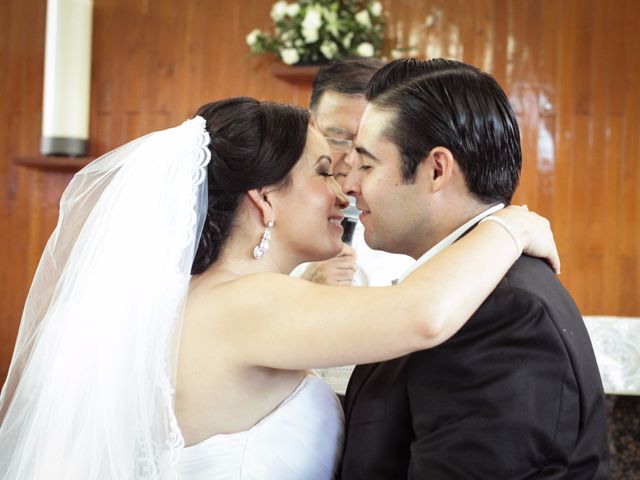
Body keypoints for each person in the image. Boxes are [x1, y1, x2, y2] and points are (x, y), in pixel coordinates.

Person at [0, 96, 559, 480]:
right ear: (264, 198)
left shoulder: (204, 299)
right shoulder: (246, 302)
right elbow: (422, 316)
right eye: (322, 171)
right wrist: (508, 226)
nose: (344, 191)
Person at [339, 58, 609, 479]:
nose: (349, 185)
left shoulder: (503, 315)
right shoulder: (473, 289)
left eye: (368, 165)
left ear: (436, 169)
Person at [294, 57, 414, 288]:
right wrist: (303, 287)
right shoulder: (273, 211)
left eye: (366, 144)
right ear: (311, 127)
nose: (351, 159)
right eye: (337, 139)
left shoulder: (410, 227)